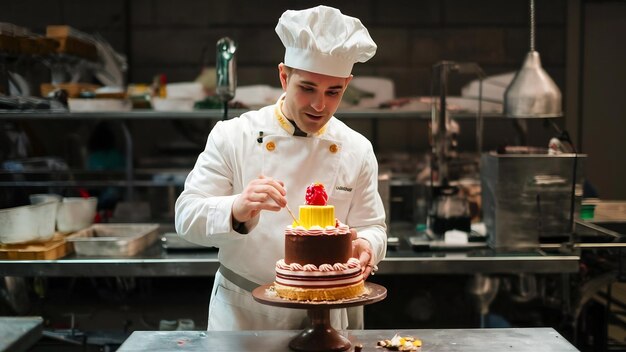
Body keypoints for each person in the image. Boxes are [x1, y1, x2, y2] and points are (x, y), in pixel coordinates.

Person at [175, 5, 387, 331]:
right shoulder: (234, 136)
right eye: (307, 88)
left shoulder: (356, 148)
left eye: (334, 92)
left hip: (331, 314)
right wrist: (237, 208)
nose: (320, 105)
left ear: (347, 83)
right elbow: (186, 217)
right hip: (247, 314)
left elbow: (373, 226)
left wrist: (368, 247)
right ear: (284, 77)